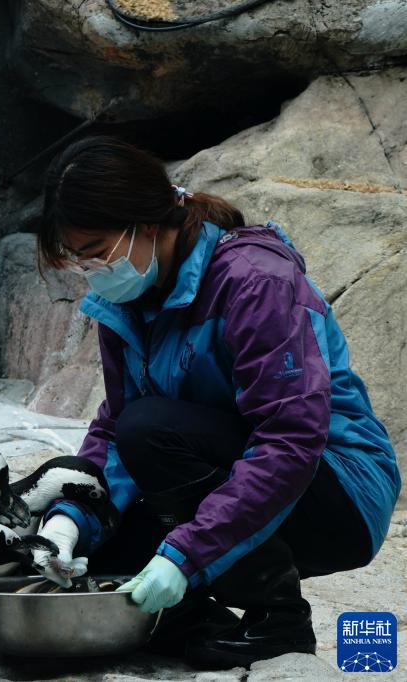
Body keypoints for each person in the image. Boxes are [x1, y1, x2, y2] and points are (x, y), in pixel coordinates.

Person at [31, 135, 401, 669]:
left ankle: (277, 618)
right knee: (101, 553)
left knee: (151, 430)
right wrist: (72, 514)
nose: (93, 273)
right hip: (234, 472)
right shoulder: (128, 303)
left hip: (336, 488)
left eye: (98, 254)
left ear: (147, 226)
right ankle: (194, 625)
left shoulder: (254, 281)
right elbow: (111, 429)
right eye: (80, 262)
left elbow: (290, 439)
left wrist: (186, 556)